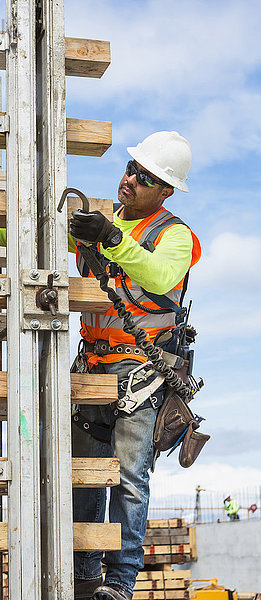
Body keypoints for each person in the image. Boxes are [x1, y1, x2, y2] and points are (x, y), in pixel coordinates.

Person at [70, 131, 201, 600]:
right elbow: (20, 231)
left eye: (145, 177)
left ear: (165, 191)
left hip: (140, 374)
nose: (130, 180)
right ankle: (83, 576)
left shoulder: (175, 235)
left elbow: (160, 275)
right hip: (91, 369)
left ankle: (119, 584)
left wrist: (110, 237)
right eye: (131, 170)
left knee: (128, 479)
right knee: (82, 475)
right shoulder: (100, 225)